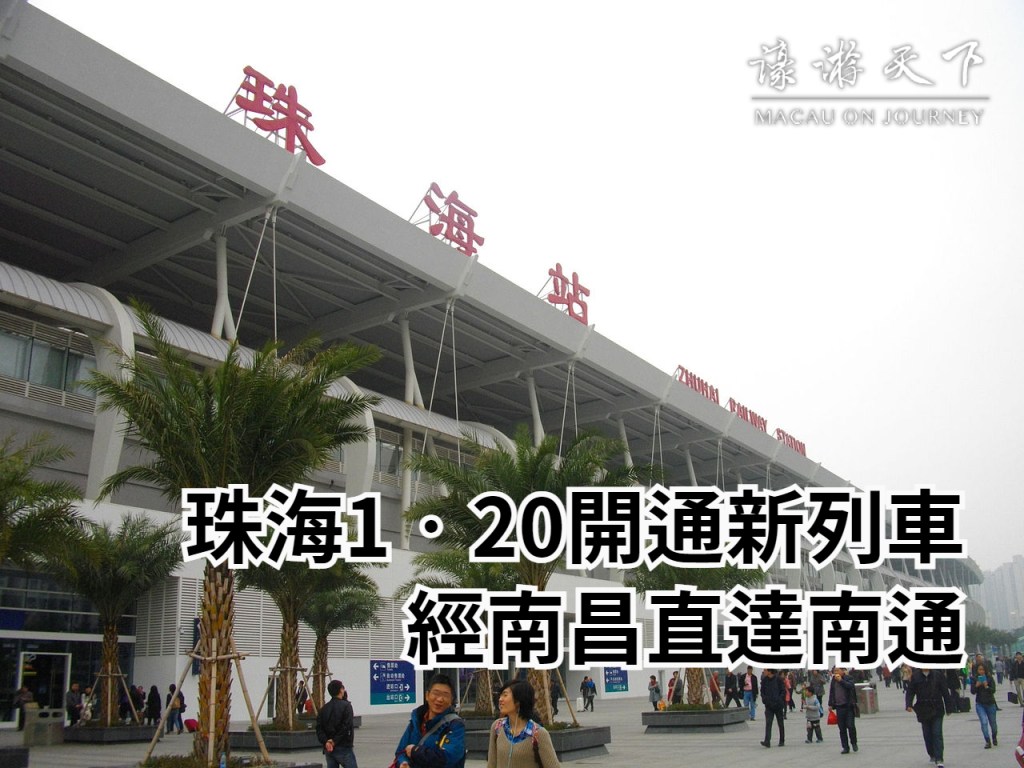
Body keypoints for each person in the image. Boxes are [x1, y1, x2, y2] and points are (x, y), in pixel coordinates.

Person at [394, 673, 465, 768]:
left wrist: (415, 751)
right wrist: (403, 762)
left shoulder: (455, 725)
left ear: (451, 700)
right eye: (436, 693)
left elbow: (447, 758)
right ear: (427, 695)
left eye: (445, 695)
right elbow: (400, 751)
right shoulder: (416, 720)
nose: (440, 699)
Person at [486, 678, 560, 768]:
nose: (500, 699)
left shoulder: (538, 733)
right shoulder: (497, 727)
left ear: (518, 700)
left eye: (505, 695)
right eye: (500, 695)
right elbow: (491, 764)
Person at [905, 666, 957, 768]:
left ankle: (939, 758)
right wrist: (908, 704)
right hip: (923, 709)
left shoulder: (938, 675)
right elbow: (910, 691)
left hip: (937, 708)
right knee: (927, 734)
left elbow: (945, 692)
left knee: (937, 733)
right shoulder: (915, 676)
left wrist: (949, 707)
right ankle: (932, 753)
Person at [317, 679, 357, 768]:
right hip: (344, 747)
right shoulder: (346, 706)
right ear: (341, 690)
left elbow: (319, 729)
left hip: (329, 749)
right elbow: (346, 726)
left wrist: (326, 742)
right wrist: (334, 741)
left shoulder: (324, 708)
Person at [827, 667, 858, 755]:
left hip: (848, 706)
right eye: (834, 671)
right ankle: (845, 747)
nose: (835, 672)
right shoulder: (833, 680)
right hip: (839, 707)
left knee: (851, 726)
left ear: (842, 671)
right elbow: (832, 692)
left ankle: (854, 743)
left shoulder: (848, 678)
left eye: (837, 670)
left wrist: (841, 680)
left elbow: (850, 686)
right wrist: (830, 704)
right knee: (842, 728)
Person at [971, 663, 998, 748]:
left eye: (982, 669)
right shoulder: (975, 679)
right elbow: (972, 691)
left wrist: (987, 686)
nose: (981, 671)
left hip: (990, 703)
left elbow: (993, 690)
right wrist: (977, 685)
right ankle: (987, 740)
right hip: (980, 704)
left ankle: (994, 736)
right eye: (979, 670)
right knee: (984, 722)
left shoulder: (989, 678)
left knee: (993, 723)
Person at [759, 668, 785, 748]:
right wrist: (765, 700)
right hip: (769, 706)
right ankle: (767, 741)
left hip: (778, 705)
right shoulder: (764, 680)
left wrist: (779, 700)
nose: (764, 671)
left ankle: (782, 740)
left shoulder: (778, 679)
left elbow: (783, 691)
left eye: (765, 670)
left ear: (770, 671)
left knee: (780, 723)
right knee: (768, 723)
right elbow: (762, 692)